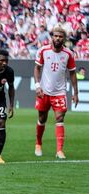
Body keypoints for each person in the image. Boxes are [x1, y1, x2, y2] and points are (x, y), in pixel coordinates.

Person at [34, 26, 79, 159]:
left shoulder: (68, 54)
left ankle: (59, 150)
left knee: (60, 118)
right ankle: (38, 144)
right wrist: (37, 86)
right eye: (55, 36)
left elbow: (72, 74)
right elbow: (37, 68)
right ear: (52, 36)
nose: (58, 38)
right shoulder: (43, 51)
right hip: (44, 91)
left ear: (64, 38)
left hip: (60, 92)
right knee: (42, 118)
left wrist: (75, 93)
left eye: (60, 36)